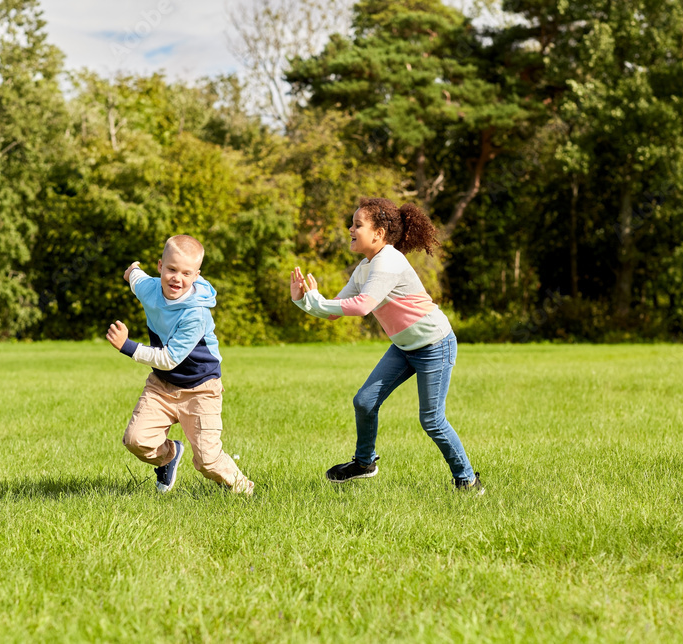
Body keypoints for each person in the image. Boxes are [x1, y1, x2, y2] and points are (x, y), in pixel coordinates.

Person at [290, 198, 483, 493]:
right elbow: (333, 311)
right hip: (405, 347)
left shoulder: (389, 261)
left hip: (434, 344)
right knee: (364, 402)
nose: (350, 229)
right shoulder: (364, 268)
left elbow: (362, 306)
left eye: (358, 225)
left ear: (378, 233)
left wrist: (317, 300)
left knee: (432, 420)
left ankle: (467, 480)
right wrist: (303, 300)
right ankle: (364, 463)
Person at [106, 234, 254, 496]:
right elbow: (135, 277)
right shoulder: (150, 288)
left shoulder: (195, 313)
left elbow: (169, 358)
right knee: (136, 440)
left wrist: (128, 346)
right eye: (172, 269)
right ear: (160, 266)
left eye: (186, 273)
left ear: (197, 275)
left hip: (201, 388)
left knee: (208, 461)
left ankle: (242, 489)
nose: (177, 278)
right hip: (162, 385)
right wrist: (132, 271)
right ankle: (168, 456)